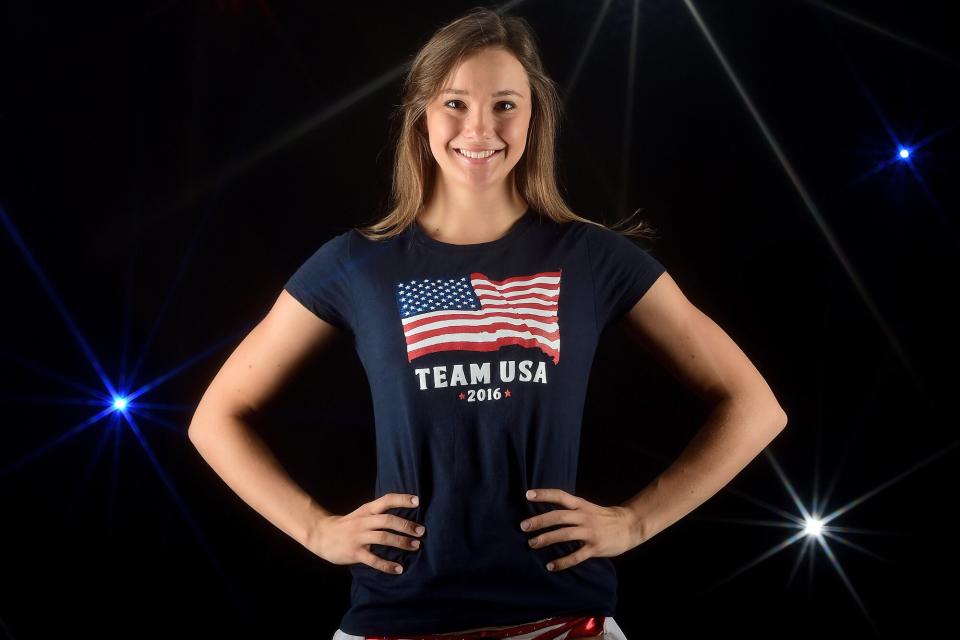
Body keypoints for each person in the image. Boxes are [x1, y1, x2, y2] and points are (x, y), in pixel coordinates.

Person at [187, 7, 788, 640]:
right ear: (421, 115)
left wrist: (635, 522)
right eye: (454, 103)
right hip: (395, 619)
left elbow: (755, 407)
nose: (479, 128)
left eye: (505, 105)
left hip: (562, 617)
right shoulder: (355, 264)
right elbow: (215, 417)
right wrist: (315, 528)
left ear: (535, 117)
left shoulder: (589, 256)